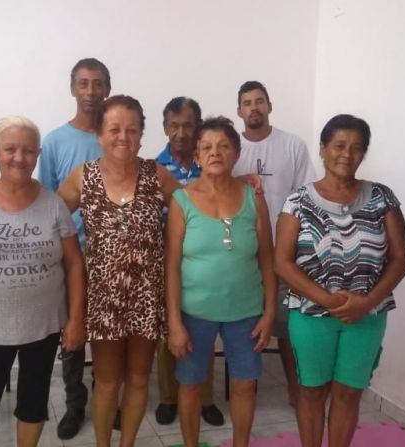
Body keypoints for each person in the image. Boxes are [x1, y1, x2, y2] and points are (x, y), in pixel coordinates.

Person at [0, 58, 111, 440]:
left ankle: (107, 400)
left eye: (97, 84)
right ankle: (74, 404)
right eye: (83, 84)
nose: (90, 92)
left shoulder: (115, 136)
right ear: (72, 89)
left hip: (110, 259)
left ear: (107, 90)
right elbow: (42, 197)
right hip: (66, 256)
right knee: (70, 337)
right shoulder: (52, 142)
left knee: (104, 336)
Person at [0, 116, 86, 447]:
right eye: (10, 149)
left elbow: (75, 263)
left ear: (37, 155)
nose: (19, 158)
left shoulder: (53, 204)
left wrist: (76, 318)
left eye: (28, 151)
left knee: (34, 401)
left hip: (44, 326)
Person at [274, 114, 405, 447]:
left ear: (364, 153)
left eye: (356, 148)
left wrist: (367, 301)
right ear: (322, 149)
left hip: (367, 315)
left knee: (349, 393)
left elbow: (400, 258)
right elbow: (282, 262)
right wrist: (327, 300)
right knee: (312, 392)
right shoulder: (298, 201)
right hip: (311, 315)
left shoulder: (382, 198)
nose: (346, 154)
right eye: (338, 145)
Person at [58, 95, 179, 447]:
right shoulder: (84, 177)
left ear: (142, 135)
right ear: (99, 134)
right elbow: (44, 214)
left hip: (146, 296)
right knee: (108, 382)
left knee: (139, 378)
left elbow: (194, 205)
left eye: (132, 129)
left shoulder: (156, 174)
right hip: (102, 299)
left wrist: (239, 180)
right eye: (114, 129)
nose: (123, 137)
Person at [166, 117, 277, 447]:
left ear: (236, 152)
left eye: (224, 146)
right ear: (197, 156)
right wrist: (174, 323)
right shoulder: (181, 201)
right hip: (193, 312)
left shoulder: (253, 197)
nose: (215, 152)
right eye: (207, 147)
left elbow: (268, 261)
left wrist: (269, 313)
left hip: (246, 312)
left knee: (244, 384)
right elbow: (171, 266)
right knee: (190, 384)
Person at [232, 80, 316, 406]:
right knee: (241, 324)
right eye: (247, 103)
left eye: (259, 101)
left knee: (286, 326)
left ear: (269, 106)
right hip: (239, 252)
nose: (254, 108)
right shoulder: (230, 148)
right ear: (238, 110)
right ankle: (244, 392)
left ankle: (297, 393)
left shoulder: (292, 145)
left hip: (283, 251)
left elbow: (306, 197)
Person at [153, 97, 224, 426]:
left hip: (203, 263)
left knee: (203, 331)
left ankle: (205, 398)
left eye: (188, 124)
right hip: (164, 261)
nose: (181, 132)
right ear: (165, 127)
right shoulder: (153, 168)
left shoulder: (210, 163)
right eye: (174, 125)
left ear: (198, 127)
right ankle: (169, 397)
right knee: (169, 330)